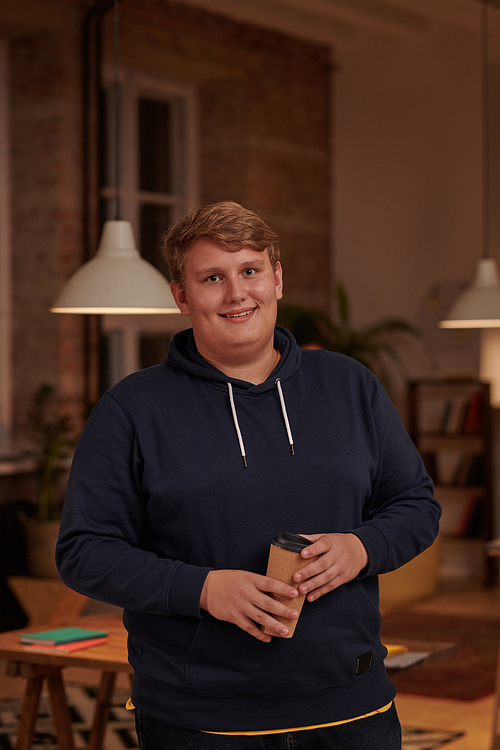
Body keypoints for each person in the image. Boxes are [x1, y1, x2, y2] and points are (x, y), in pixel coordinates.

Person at [56, 200, 441, 749]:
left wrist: (361, 548)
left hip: (351, 707)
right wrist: (204, 589)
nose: (237, 294)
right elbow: (84, 551)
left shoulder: (351, 386)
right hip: (199, 719)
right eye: (212, 277)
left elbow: (417, 506)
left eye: (250, 271)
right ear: (181, 296)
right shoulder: (131, 409)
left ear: (277, 280)